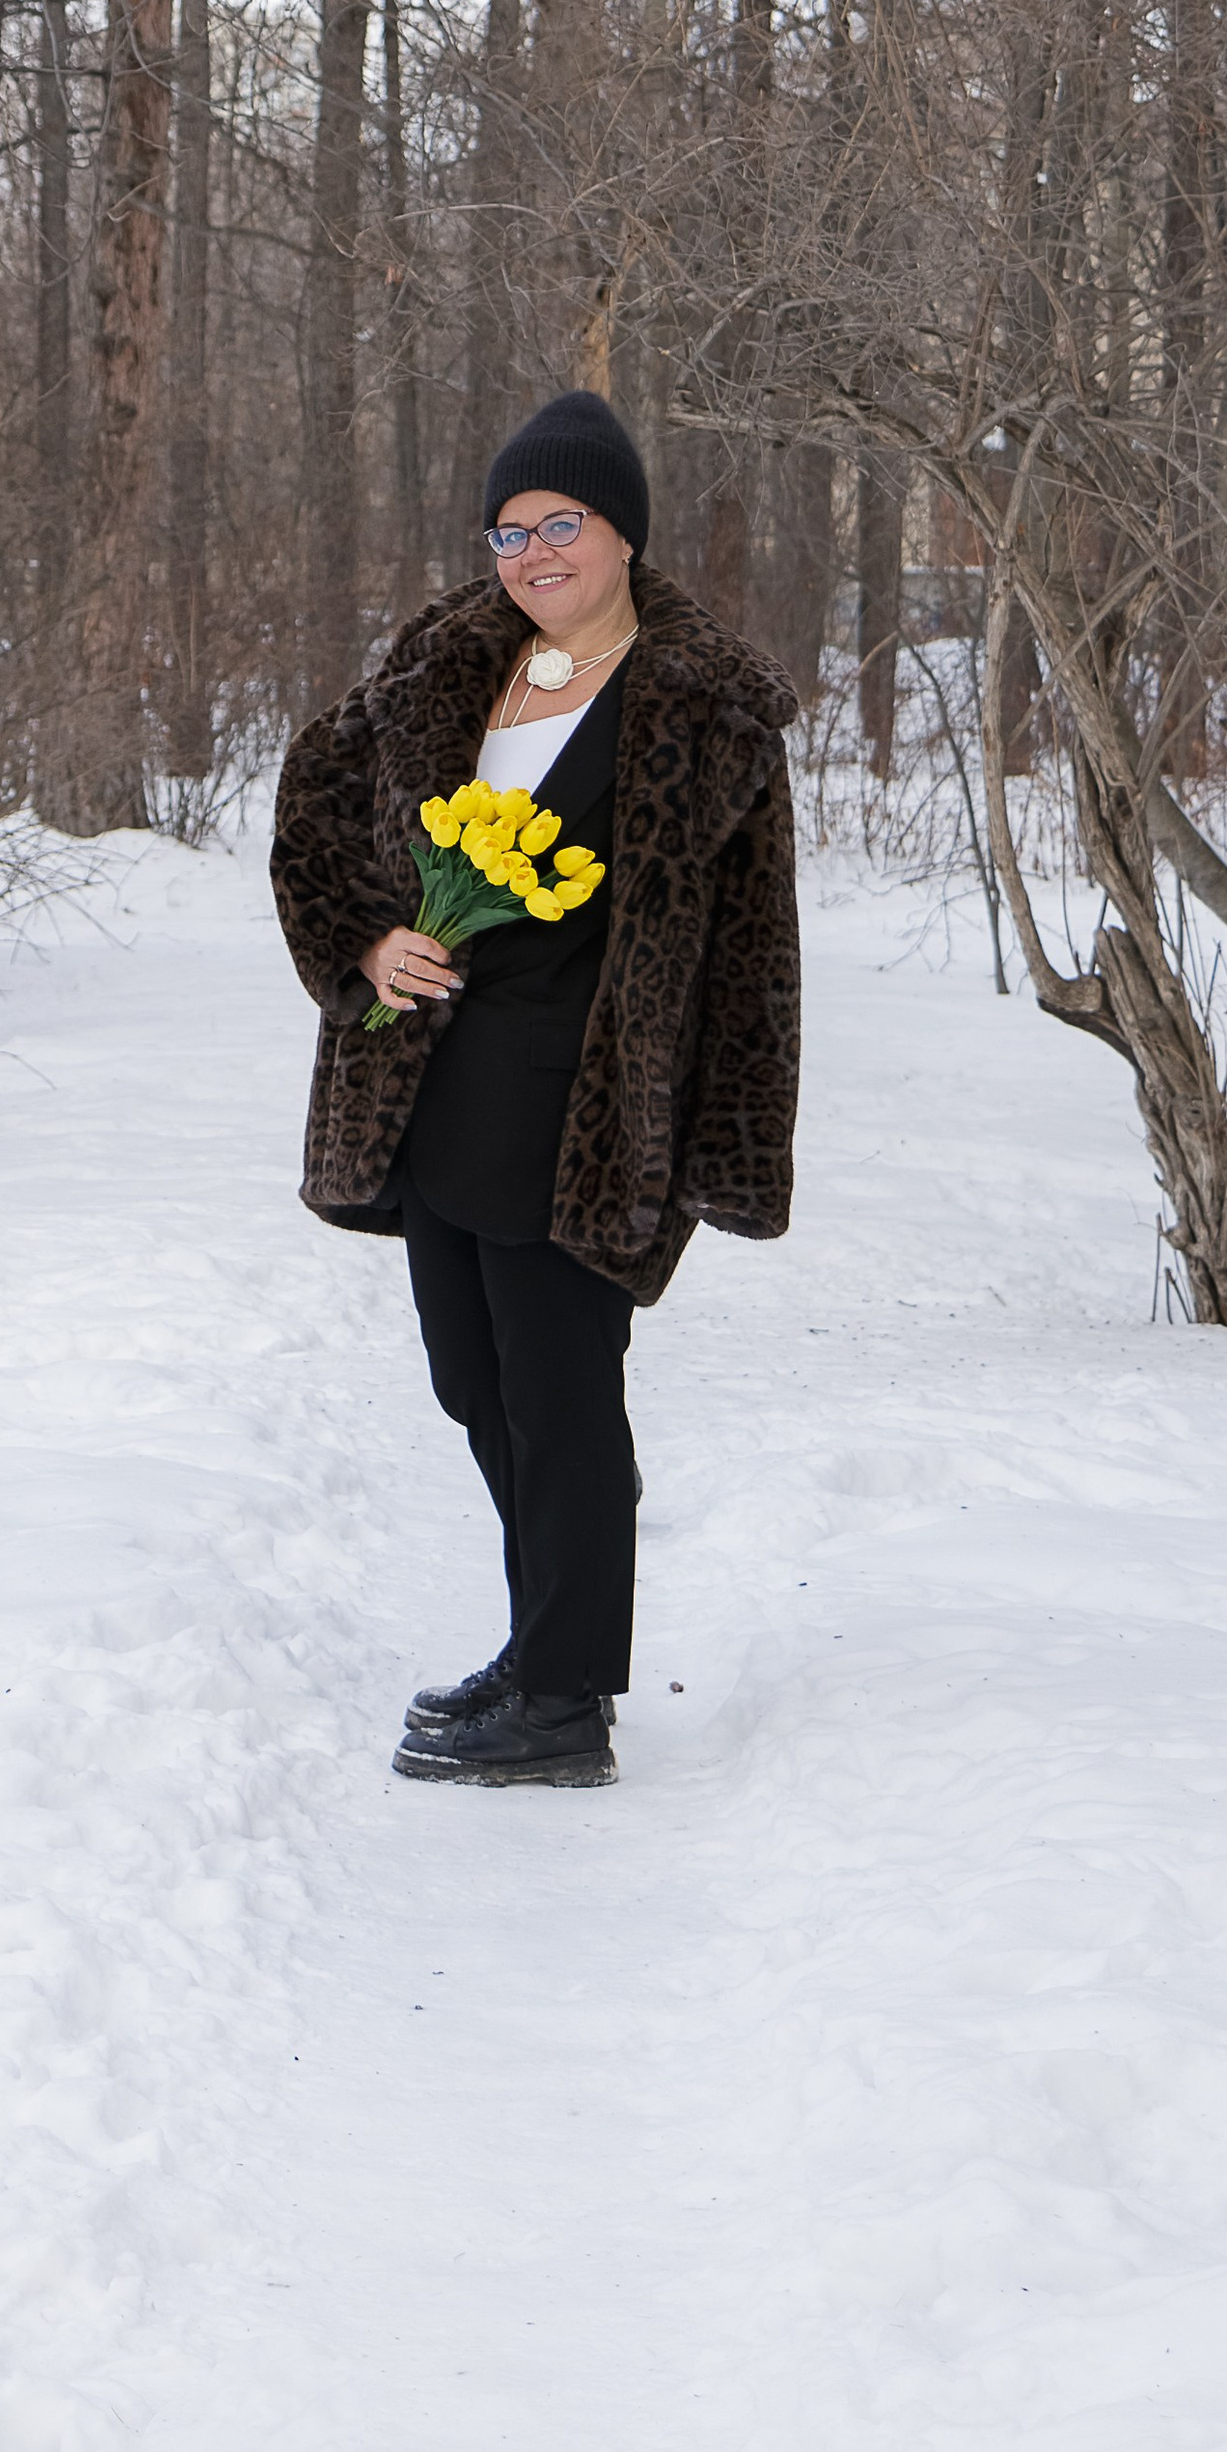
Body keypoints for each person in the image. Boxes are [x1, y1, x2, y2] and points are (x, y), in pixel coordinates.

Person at [270, 390, 802, 1789]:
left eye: (561, 523)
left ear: (623, 531)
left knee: (562, 1393)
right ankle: (542, 1640)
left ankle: (566, 1704)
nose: (531, 551)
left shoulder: (703, 704)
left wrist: (727, 1143)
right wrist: (363, 943)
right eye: (509, 528)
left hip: (588, 1106)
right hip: (432, 1084)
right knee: (472, 1380)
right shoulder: (447, 661)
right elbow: (315, 816)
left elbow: (755, 950)